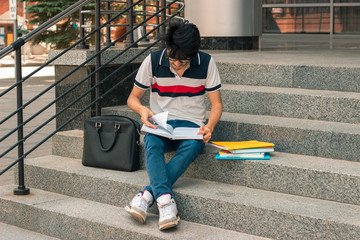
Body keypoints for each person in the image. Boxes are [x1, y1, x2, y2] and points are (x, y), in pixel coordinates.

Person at [125, 20, 223, 230]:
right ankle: (165, 201)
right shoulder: (152, 61)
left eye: (184, 61)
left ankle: (147, 195)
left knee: (192, 146)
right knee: (151, 142)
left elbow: (217, 105)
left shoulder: (206, 63)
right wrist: (142, 110)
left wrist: (210, 127)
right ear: (167, 48)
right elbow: (132, 98)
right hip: (162, 123)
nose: (177, 64)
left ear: (194, 53)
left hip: (191, 126)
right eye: (173, 59)